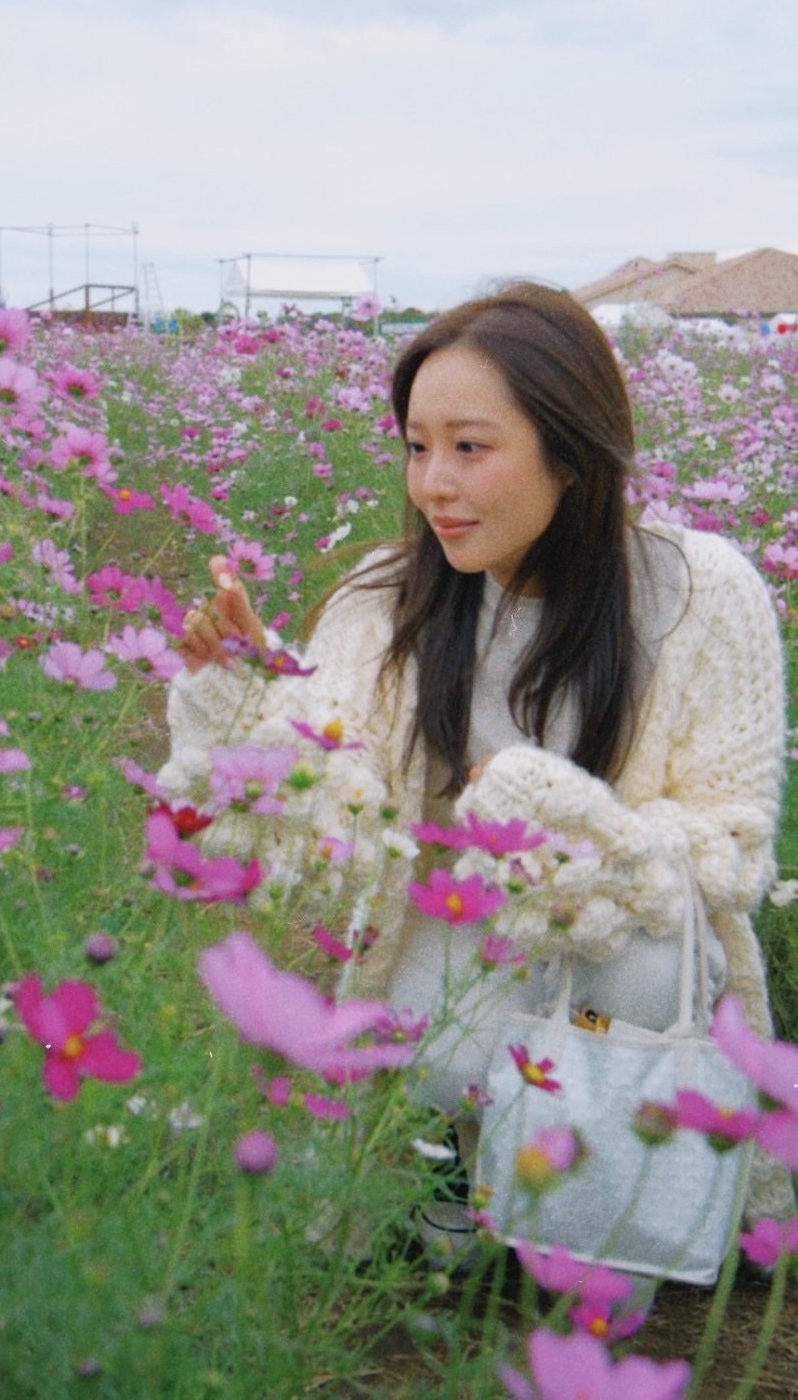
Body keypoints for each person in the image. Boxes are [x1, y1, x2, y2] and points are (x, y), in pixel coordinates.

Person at [161, 281, 791, 1237]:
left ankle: (594, 1187)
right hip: (451, 941)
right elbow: (339, 817)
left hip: (618, 963)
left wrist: (558, 819)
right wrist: (252, 694)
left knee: (634, 967)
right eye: (416, 446)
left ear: (570, 454)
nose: (431, 486)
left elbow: (730, 849)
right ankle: (460, 1149)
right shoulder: (386, 599)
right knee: (436, 1021)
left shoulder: (699, 592)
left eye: (469, 447)